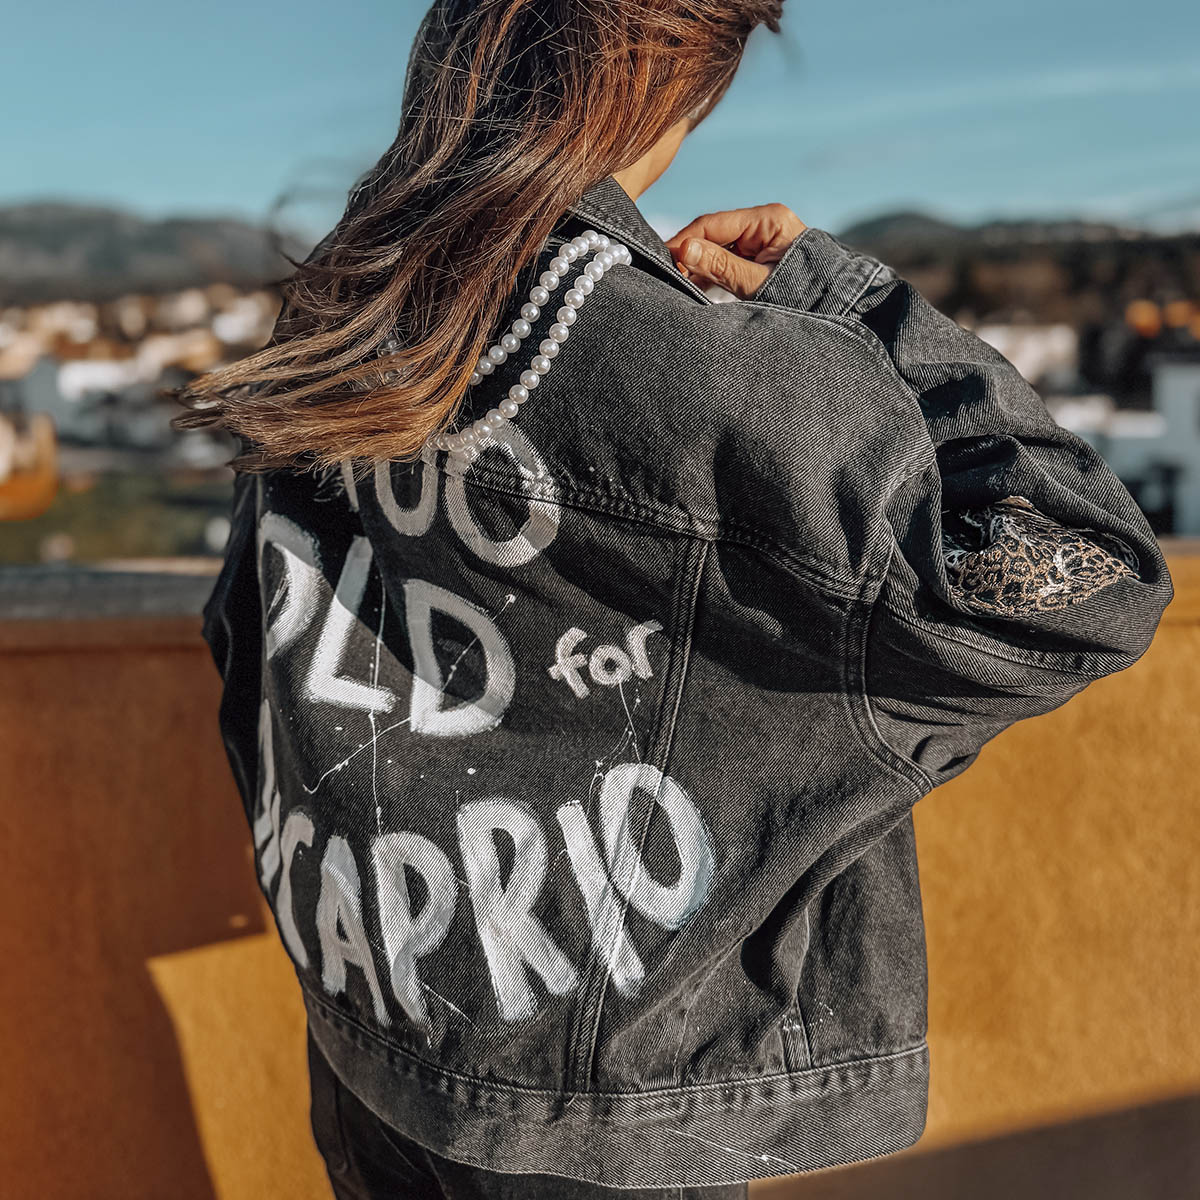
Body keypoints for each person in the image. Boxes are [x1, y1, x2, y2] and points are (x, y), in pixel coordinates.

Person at [177, 2, 1173, 1197]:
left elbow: (245, 627)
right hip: (611, 1125)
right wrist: (850, 302)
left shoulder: (345, 317)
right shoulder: (706, 370)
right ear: (671, 83)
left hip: (376, 1051)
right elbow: (1088, 569)